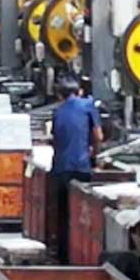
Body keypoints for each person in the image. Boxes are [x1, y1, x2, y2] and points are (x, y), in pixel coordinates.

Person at [47, 76, 102, 262]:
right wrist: (96, 157)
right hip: (81, 167)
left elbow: (55, 139)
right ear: (78, 92)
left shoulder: (57, 111)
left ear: (59, 95)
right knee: (83, 213)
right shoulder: (88, 106)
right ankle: (83, 256)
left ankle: (63, 258)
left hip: (61, 168)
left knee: (63, 214)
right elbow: (98, 136)